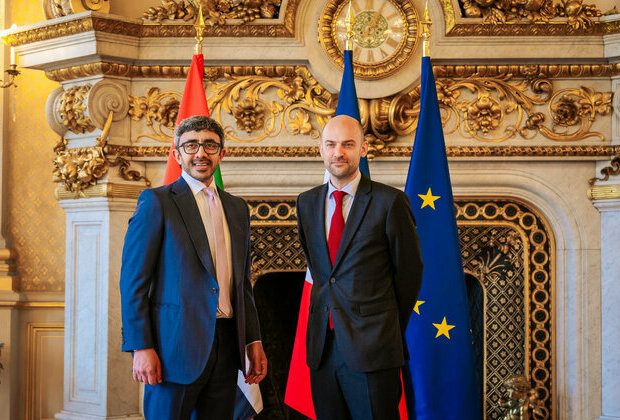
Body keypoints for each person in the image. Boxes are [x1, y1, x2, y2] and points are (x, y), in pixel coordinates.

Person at [120, 115, 267, 419]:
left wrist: (252, 339)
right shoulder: (157, 202)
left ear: (221, 153)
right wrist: (140, 346)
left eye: (210, 145)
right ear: (177, 154)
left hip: (227, 346)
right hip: (172, 351)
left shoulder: (237, 208)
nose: (201, 152)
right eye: (191, 145)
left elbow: (242, 283)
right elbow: (133, 281)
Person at [296, 114, 423, 419]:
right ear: (321, 150)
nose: (338, 152)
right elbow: (320, 269)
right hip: (322, 349)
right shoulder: (306, 203)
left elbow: (409, 274)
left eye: (347, 144)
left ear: (364, 148)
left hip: (374, 348)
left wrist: (383, 326)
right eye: (331, 144)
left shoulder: (390, 202)